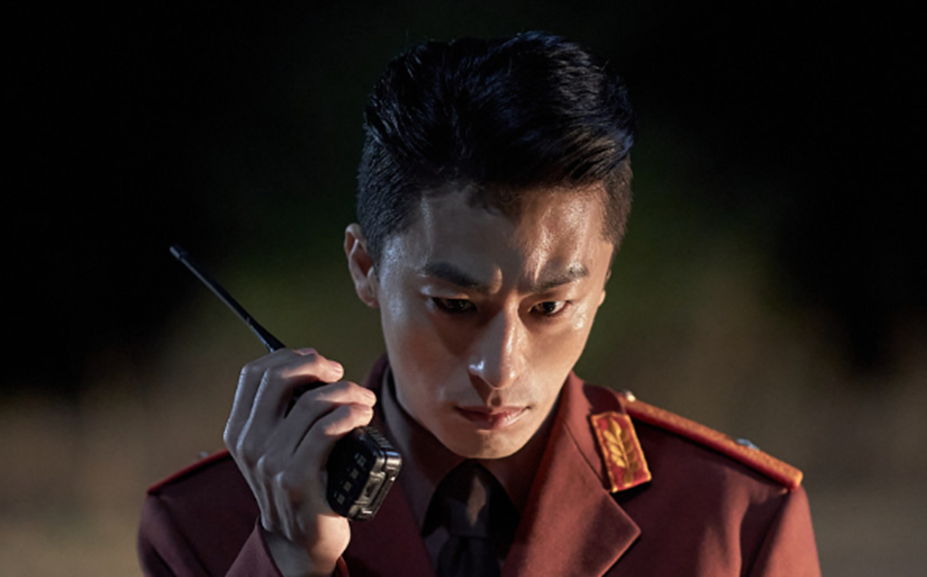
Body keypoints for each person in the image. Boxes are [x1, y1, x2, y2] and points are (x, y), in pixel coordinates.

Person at [138, 32, 821, 577]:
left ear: (602, 282)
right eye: (455, 304)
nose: (499, 368)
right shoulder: (207, 524)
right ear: (365, 266)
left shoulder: (731, 519)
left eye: (550, 307)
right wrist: (289, 561)